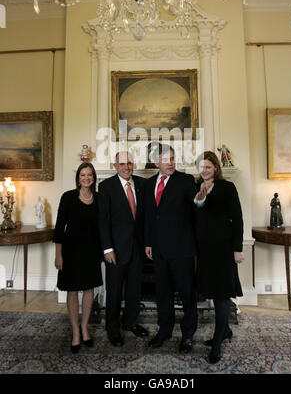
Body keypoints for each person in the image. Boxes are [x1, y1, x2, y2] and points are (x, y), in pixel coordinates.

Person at [145, 144, 198, 354]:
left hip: (182, 248)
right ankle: (164, 330)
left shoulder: (186, 181)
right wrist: (148, 242)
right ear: (156, 162)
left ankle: (187, 335)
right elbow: (149, 216)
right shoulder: (149, 184)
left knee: (187, 294)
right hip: (158, 250)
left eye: (173, 158)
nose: (171, 163)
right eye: (166, 159)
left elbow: (196, 209)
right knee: (163, 293)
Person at [194, 151, 244, 364]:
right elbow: (195, 218)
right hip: (205, 250)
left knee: (222, 294)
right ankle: (225, 331)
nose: (204, 170)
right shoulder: (197, 188)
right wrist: (199, 200)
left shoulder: (227, 187)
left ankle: (217, 341)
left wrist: (238, 249)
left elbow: (238, 219)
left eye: (208, 166)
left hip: (224, 249)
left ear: (216, 167)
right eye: (201, 167)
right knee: (214, 293)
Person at [97, 151, 149, 347]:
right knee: (115, 291)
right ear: (115, 166)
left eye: (129, 163)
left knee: (135, 289)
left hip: (138, 248)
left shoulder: (142, 184)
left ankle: (131, 323)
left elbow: (145, 217)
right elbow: (103, 221)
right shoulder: (106, 187)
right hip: (115, 250)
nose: (127, 167)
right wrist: (107, 248)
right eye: (122, 164)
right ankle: (112, 328)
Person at [53, 162, 102, 354]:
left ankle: (84, 328)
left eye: (89, 175)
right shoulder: (68, 197)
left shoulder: (99, 198)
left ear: (94, 177)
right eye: (83, 175)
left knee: (89, 289)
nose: (86, 178)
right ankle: (75, 332)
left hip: (91, 252)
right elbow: (59, 228)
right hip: (70, 252)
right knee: (72, 291)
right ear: (78, 178)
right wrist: (58, 255)